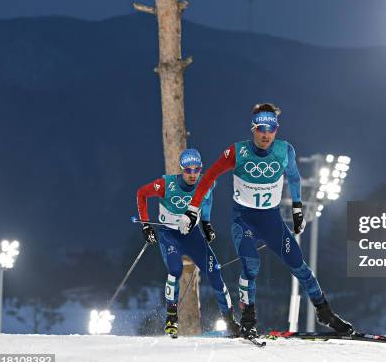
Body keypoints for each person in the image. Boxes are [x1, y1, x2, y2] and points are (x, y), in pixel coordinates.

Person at [177, 103, 354, 338]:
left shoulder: (285, 150)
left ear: (276, 130)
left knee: (299, 266)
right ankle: (248, 319)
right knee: (251, 267)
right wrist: (192, 210)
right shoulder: (237, 152)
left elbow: (293, 176)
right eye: (261, 129)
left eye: (271, 130)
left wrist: (298, 209)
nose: (266, 135)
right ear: (253, 128)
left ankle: (324, 311)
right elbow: (208, 177)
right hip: (245, 220)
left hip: (272, 221)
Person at [136, 148, 240, 338]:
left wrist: (207, 224)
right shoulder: (166, 184)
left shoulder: (206, 183)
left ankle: (230, 321)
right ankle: (171, 320)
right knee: (175, 270)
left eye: (196, 169)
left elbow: (207, 200)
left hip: (192, 236)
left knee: (215, 273)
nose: (192, 174)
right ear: (181, 169)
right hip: (170, 235)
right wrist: (146, 226)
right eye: (188, 170)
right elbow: (141, 194)